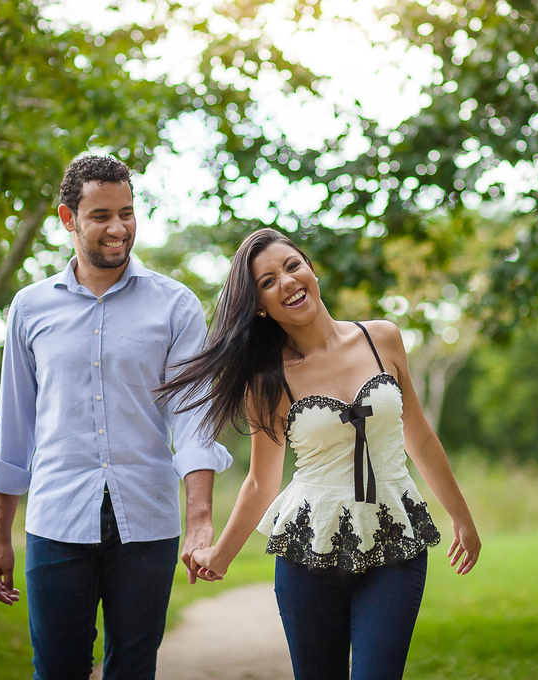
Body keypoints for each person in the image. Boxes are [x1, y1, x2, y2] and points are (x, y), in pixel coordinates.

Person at [158, 228, 481, 680]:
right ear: (259, 305)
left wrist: (461, 517)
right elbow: (261, 482)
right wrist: (221, 555)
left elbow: (420, 438)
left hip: (395, 542)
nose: (287, 282)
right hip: (308, 553)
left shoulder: (382, 338)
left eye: (292, 266)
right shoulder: (267, 380)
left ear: (311, 269)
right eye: (268, 282)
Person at [0, 154, 232, 680]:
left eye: (127, 213)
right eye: (101, 216)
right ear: (68, 219)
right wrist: (0, 535)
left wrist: (200, 520)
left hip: (147, 521)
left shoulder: (176, 305)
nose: (118, 228)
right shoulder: (29, 308)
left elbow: (193, 420)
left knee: (134, 669)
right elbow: (14, 428)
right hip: (56, 520)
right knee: (57, 669)